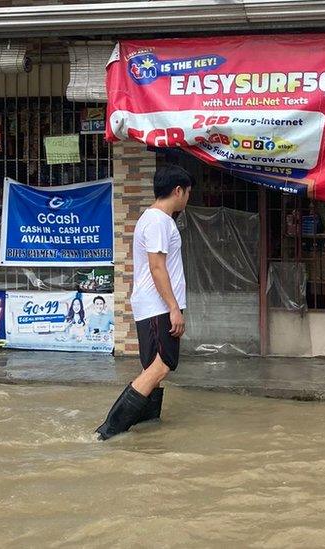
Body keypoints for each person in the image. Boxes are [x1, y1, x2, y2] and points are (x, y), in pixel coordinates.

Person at [95, 165, 192, 440]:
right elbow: (157, 267)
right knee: (163, 365)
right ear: (177, 191)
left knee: (153, 368)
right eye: (187, 193)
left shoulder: (153, 219)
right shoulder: (160, 221)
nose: (187, 199)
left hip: (153, 306)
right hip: (159, 307)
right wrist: (174, 308)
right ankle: (109, 431)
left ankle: (146, 429)